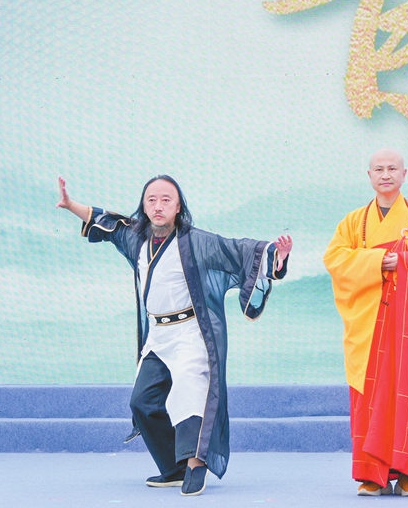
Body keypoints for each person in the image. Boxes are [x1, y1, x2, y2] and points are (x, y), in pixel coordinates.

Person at [57, 175, 291, 497]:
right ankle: (174, 467)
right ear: (143, 205)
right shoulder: (136, 239)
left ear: (178, 206)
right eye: (151, 199)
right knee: (142, 402)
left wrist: (275, 259)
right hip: (158, 335)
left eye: (166, 199)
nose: (158, 205)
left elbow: (240, 252)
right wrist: (71, 205)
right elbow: (106, 223)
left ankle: (195, 463)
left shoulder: (197, 241)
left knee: (189, 388)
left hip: (190, 334)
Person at [322, 149, 408, 497]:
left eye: (392, 169)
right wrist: (379, 261)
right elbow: (335, 260)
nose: (386, 174)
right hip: (369, 325)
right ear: (369, 176)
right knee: (371, 400)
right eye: (379, 169)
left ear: (404, 174)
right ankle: (373, 474)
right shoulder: (354, 222)